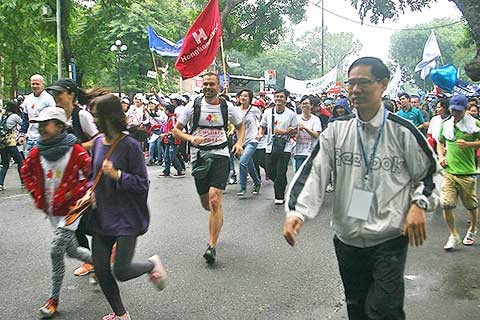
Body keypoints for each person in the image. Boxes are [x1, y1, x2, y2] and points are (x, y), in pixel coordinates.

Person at [283, 57, 438, 320]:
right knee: (357, 308)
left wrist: (418, 204)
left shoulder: (402, 131)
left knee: (385, 310)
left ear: (383, 85)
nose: (355, 90)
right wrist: (296, 213)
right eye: (351, 83)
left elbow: (430, 174)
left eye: (363, 83)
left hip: (389, 239)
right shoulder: (336, 131)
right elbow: (314, 171)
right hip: (348, 240)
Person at [83, 94, 167, 320]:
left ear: (109, 117)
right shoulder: (99, 142)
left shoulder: (129, 145)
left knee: (121, 270)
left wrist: (118, 175)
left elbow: (142, 184)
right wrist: (90, 190)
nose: (94, 121)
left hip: (126, 217)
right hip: (101, 214)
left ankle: (151, 264)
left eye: (97, 116)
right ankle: (121, 315)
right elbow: (93, 175)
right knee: (101, 270)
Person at [20, 107, 93, 319]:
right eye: (39, 125)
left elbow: (91, 177)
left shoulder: (76, 150)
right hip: (53, 211)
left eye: (46, 124)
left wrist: (75, 194)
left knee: (55, 251)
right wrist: (38, 196)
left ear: (60, 127)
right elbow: (25, 173)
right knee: (72, 251)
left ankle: (53, 299)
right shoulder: (37, 152)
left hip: (72, 210)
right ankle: (101, 263)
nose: (41, 128)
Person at [173, 72, 245, 264]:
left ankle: (211, 246)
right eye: (205, 84)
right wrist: (191, 138)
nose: (208, 87)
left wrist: (239, 143)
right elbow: (176, 130)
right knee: (207, 203)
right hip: (199, 156)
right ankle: (217, 217)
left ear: (219, 87)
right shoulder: (193, 106)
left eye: (211, 84)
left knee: (214, 200)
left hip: (220, 154)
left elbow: (240, 126)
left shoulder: (226, 107)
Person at [46, 78, 101, 278]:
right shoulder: (58, 116)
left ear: (71, 94)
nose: (56, 97)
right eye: (54, 94)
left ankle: (105, 251)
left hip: (88, 175)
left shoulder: (82, 116)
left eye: (59, 93)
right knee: (72, 219)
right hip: (67, 176)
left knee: (83, 219)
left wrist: (76, 149)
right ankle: (92, 260)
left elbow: (99, 140)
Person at [437, 94, 480, 250]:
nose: (455, 113)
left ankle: (473, 229)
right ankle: (453, 235)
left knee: (471, 206)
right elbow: (440, 142)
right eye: (453, 110)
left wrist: (469, 144)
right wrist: (441, 156)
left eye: (459, 111)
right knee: (446, 204)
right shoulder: (446, 125)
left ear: (465, 109)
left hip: (467, 172)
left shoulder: (474, 124)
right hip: (449, 172)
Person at [258, 88, 298, 204]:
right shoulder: (268, 112)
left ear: (286, 99)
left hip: (285, 146)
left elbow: (295, 131)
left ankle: (279, 197)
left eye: (281, 97)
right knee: (270, 171)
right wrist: (260, 133)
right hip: (270, 145)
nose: (278, 99)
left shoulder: (291, 114)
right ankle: (281, 182)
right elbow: (262, 126)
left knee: (281, 171)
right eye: (277, 96)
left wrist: (286, 132)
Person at [20, 74, 56, 156]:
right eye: (33, 84)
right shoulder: (28, 99)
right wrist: (22, 134)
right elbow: (25, 118)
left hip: (43, 137)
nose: (35, 86)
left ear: (42, 84)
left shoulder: (48, 99)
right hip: (30, 137)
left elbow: (52, 118)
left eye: (37, 84)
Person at [236, 89, 262, 196]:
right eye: (241, 96)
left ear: (250, 98)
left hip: (252, 139)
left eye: (246, 96)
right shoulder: (235, 110)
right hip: (240, 141)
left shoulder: (255, 110)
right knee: (249, 164)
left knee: (243, 162)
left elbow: (261, 124)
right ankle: (257, 182)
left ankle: (242, 187)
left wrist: (260, 134)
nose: (243, 98)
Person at [0, 101, 24, 190]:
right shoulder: (14, 116)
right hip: (10, 143)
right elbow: (23, 124)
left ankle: (0, 184)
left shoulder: (4, 116)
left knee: (5, 164)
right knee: (20, 161)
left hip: (2, 143)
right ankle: (23, 182)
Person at [293, 95, 322, 171]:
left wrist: (305, 128)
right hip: (298, 152)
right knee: (298, 176)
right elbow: (292, 135)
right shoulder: (296, 118)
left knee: (309, 178)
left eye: (306, 103)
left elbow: (316, 135)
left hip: (311, 153)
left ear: (311, 105)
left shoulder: (316, 119)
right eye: (303, 103)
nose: (304, 105)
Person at [160, 104, 185, 177]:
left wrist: (165, 134)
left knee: (172, 157)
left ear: (167, 111)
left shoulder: (173, 119)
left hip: (174, 140)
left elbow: (174, 130)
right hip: (168, 140)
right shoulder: (169, 118)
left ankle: (179, 170)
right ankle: (166, 171)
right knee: (166, 157)